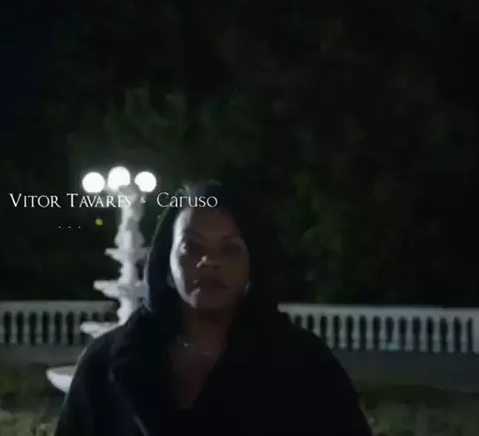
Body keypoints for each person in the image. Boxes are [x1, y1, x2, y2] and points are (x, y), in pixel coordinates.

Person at [55, 181, 373, 436]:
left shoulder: (305, 365)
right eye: (192, 246)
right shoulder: (106, 363)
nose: (209, 261)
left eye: (230, 249)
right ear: (167, 262)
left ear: (253, 265)